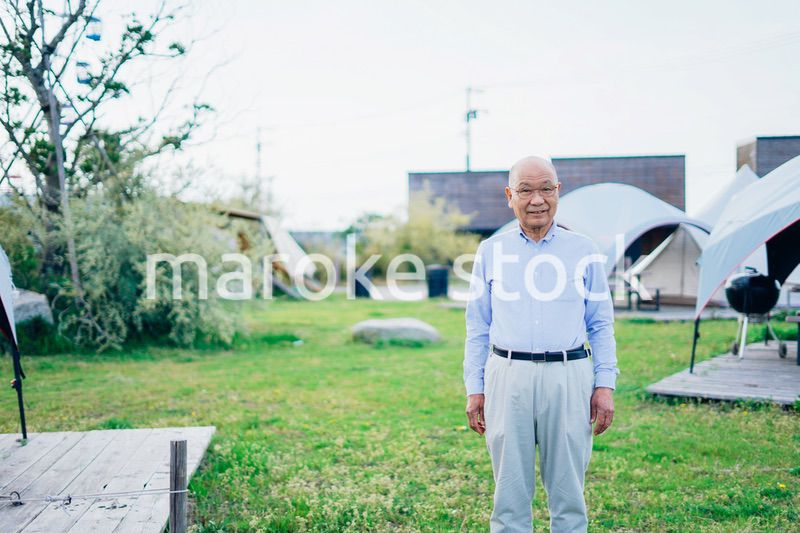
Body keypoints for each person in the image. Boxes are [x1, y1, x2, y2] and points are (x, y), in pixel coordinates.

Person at [464, 156, 619, 532]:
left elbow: (601, 324)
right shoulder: (491, 251)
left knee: (568, 494)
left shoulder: (584, 250)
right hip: (506, 376)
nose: (537, 199)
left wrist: (604, 385)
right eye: (526, 190)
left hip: (569, 376)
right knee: (509, 495)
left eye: (546, 189)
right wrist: (475, 388)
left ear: (558, 191)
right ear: (509, 196)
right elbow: (478, 326)